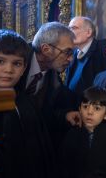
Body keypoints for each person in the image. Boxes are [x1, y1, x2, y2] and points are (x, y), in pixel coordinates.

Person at [0, 29, 55, 177]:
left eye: (17, 64)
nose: (8, 69)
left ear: (24, 69)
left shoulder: (26, 101)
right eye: (0, 61)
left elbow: (42, 151)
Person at [15, 22, 80, 152]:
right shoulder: (15, 62)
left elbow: (45, 113)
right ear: (46, 50)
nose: (71, 59)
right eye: (67, 52)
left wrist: (64, 116)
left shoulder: (55, 80)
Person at [59, 86, 106, 178]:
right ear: (79, 109)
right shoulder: (72, 134)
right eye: (85, 106)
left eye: (97, 108)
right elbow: (64, 168)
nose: (89, 112)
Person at [65, 16, 106, 98]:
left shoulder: (103, 49)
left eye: (74, 28)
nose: (69, 32)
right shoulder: (73, 53)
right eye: (69, 29)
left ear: (89, 32)